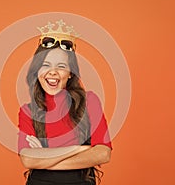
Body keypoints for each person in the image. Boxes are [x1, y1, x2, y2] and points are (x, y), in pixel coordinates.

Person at [18, 20, 112, 185]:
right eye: (45, 65)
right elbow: (28, 160)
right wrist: (80, 149)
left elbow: (103, 153)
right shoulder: (27, 111)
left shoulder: (90, 101)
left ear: (70, 73)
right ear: (37, 71)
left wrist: (45, 156)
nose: (52, 72)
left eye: (61, 66)